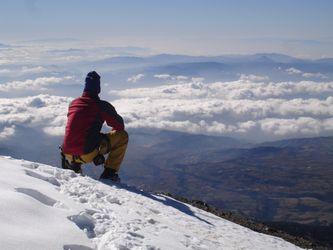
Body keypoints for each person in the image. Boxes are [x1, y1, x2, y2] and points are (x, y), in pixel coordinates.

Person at [61, 71, 128, 182]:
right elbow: (120, 126)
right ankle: (109, 174)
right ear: (98, 88)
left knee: (78, 135)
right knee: (123, 136)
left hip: (67, 153)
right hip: (87, 154)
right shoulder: (101, 105)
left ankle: (74, 166)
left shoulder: (73, 103)